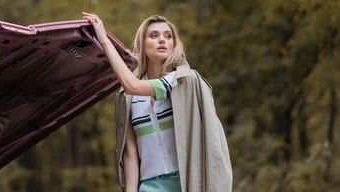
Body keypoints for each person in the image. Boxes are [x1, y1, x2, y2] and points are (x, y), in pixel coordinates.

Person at [82, 13, 233, 192]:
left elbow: (133, 85)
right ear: (142, 45)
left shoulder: (180, 81)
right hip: (149, 186)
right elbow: (131, 153)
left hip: (186, 184)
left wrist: (105, 41)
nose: (162, 40)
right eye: (154, 35)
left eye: (168, 36)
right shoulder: (128, 98)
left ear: (174, 45)